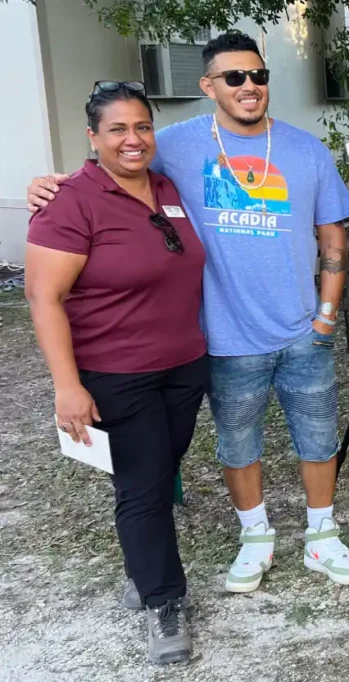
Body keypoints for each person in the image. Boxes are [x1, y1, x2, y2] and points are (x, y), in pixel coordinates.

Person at [27, 32, 349, 597]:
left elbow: (330, 234)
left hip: (305, 332)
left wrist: (327, 315)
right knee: (238, 443)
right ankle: (255, 537)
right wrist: (47, 184)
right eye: (234, 77)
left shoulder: (306, 149)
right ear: (208, 86)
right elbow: (113, 163)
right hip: (225, 338)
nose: (249, 86)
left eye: (257, 75)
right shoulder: (175, 144)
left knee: (318, 436)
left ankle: (321, 533)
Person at [24, 81, 207, 664]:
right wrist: (67, 386)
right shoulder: (71, 201)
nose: (133, 139)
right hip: (115, 372)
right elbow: (42, 297)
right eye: (118, 129)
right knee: (143, 485)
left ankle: (142, 566)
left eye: (142, 127)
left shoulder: (165, 185)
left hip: (182, 365)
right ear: (93, 138)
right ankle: (162, 602)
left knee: (157, 471)